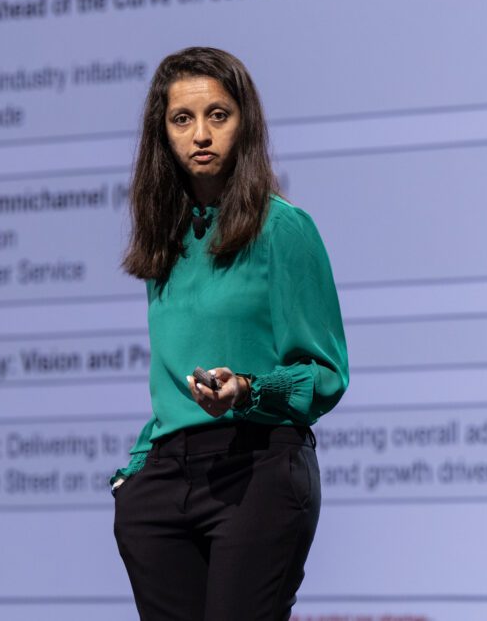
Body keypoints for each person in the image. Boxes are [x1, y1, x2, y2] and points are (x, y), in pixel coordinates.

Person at [111, 46, 349, 621]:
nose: (201, 134)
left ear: (245, 123)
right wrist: (134, 474)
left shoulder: (282, 229)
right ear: (161, 134)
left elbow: (326, 374)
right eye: (182, 119)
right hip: (164, 481)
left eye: (218, 115)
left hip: (257, 466)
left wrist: (247, 389)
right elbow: (169, 377)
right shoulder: (164, 241)